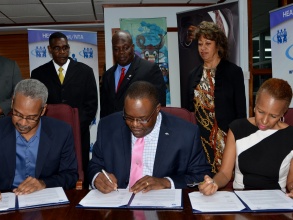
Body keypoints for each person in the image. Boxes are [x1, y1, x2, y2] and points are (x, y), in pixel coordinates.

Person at [88, 81, 211, 194]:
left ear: (157, 110)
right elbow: (95, 165)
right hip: (117, 204)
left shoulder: (185, 133)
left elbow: (201, 175)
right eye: (129, 117)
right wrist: (97, 177)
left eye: (142, 119)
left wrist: (166, 182)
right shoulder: (108, 126)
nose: (135, 124)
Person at [0, 79, 78, 204]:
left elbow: (70, 175)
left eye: (31, 118)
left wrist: (43, 183)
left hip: (44, 200)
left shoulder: (61, 131)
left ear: (43, 110)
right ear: (12, 102)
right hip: (3, 200)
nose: (22, 123)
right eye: (17, 114)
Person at [199, 78, 293, 196]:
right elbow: (224, 173)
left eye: (273, 116)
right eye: (260, 111)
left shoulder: (290, 136)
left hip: (276, 203)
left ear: (283, 113)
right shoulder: (238, 128)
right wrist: (214, 183)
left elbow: (291, 181)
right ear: (255, 104)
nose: (264, 120)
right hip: (242, 201)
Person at [31, 32, 98, 187]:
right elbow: (37, 104)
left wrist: (74, 126)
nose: (62, 52)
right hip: (49, 135)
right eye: (57, 48)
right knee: (52, 171)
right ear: (49, 49)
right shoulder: (38, 74)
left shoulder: (85, 71)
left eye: (65, 48)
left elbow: (91, 104)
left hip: (79, 133)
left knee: (80, 171)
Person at [185, 21, 246, 173]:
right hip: (200, 140)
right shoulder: (192, 75)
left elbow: (241, 112)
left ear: (218, 45)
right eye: (200, 44)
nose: (203, 48)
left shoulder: (233, 72)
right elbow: (188, 111)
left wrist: (237, 139)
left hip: (227, 139)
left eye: (208, 43)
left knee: (226, 181)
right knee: (203, 180)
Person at [100, 30, 166, 118]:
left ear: (133, 47)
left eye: (125, 47)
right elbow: (105, 108)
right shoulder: (107, 75)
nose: (121, 52)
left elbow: (159, 102)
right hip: (113, 128)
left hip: (139, 127)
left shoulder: (149, 69)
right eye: (116, 49)